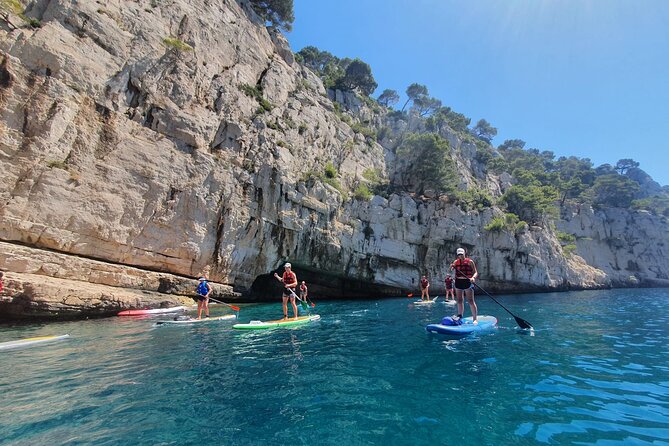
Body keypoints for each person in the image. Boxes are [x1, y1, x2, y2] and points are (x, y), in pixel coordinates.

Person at [450, 247, 479, 324]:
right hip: (458, 282)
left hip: (467, 281)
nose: (460, 256)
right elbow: (451, 270)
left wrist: (473, 277)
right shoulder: (456, 262)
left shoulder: (470, 261)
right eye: (459, 254)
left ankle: (475, 318)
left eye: (461, 254)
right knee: (459, 300)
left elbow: (475, 272)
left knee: (470, 301)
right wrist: (451, 267)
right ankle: (460, 316)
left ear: (464, 253)